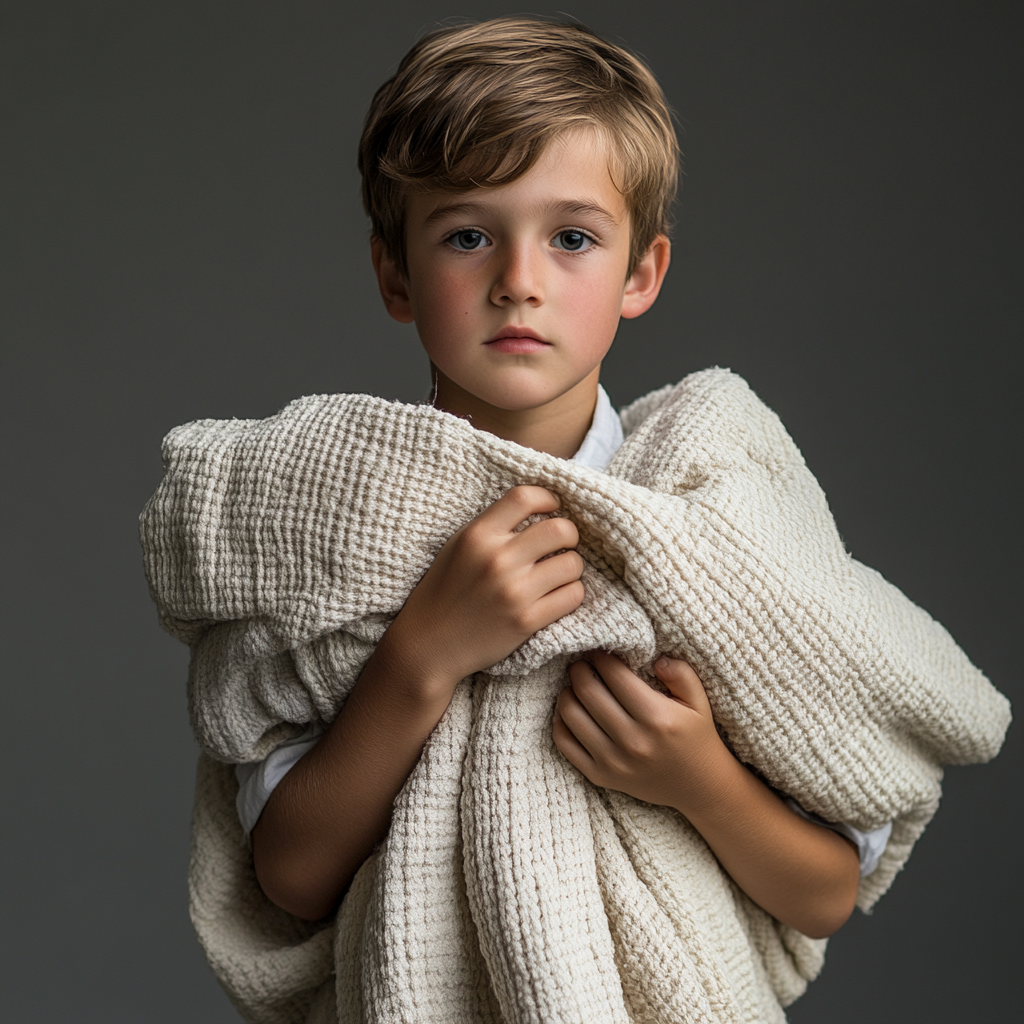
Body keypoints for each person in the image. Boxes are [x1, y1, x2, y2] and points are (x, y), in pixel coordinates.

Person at [140, 17, 1009, 1024]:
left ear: (641, 273)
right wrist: (421, 654)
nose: (520, 277)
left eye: (572, 237)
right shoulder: (324, 530)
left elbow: (826, 890)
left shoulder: (710, 517)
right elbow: (288, 876)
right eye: (467, 235)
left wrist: (699, 779)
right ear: (394, 274)